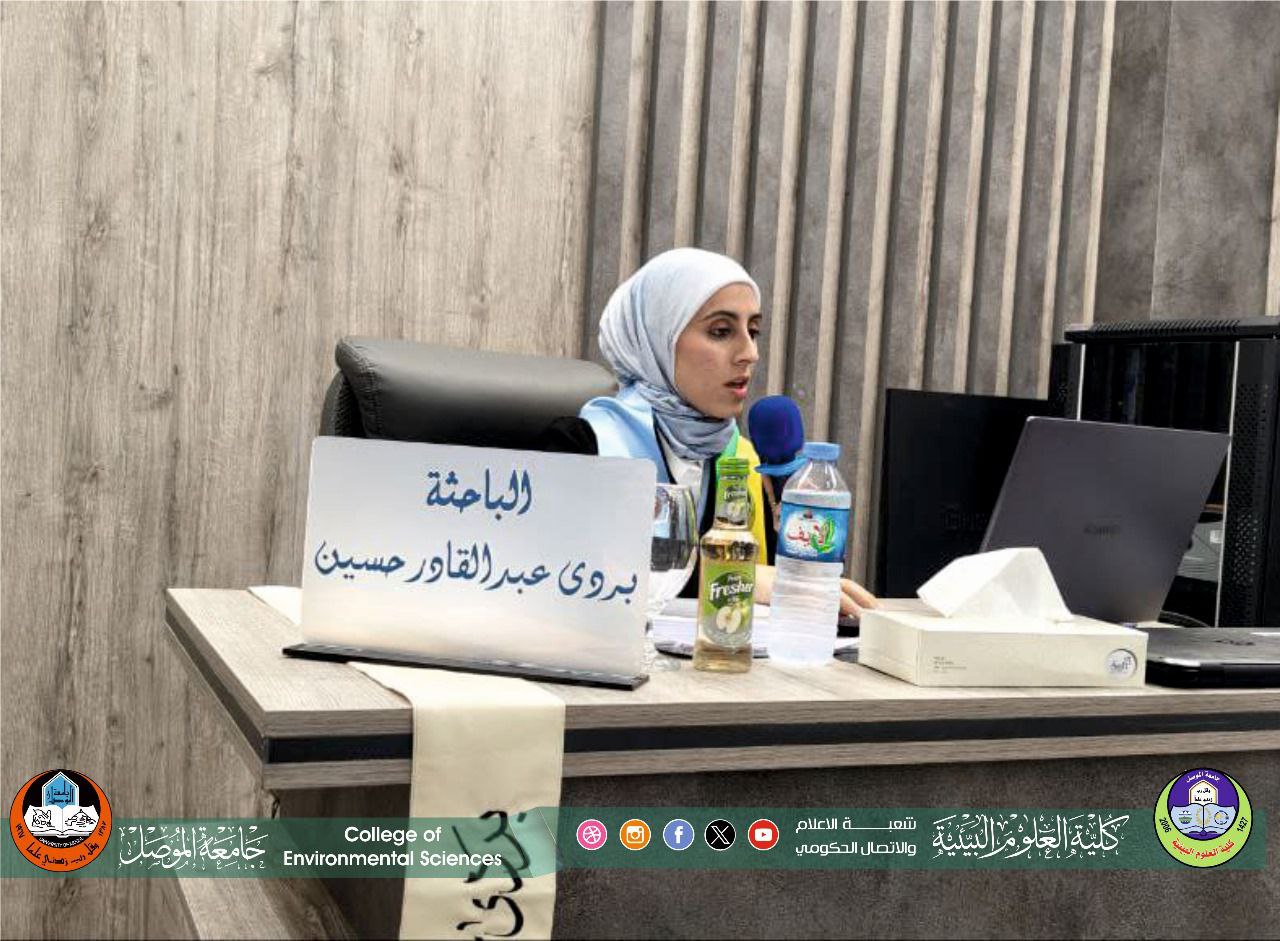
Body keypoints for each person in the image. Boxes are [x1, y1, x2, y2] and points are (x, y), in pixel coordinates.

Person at [543, 247, 876, 617]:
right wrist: (738, 577)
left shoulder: (743, 459)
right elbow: (563, 572)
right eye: (721, 331)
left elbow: (768, 596)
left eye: (753, 331)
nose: (750, 353)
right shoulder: (582, 446)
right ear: (658, 338)